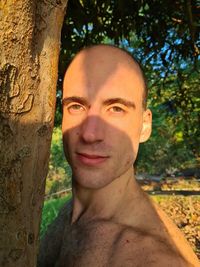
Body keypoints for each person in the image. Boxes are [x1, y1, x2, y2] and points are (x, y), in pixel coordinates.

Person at [37, 44, 200, 267]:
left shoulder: (154, 259)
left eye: (116, 109)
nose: (90, 134)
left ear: (145, 125)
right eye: (76, 106)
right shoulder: (70, 212)